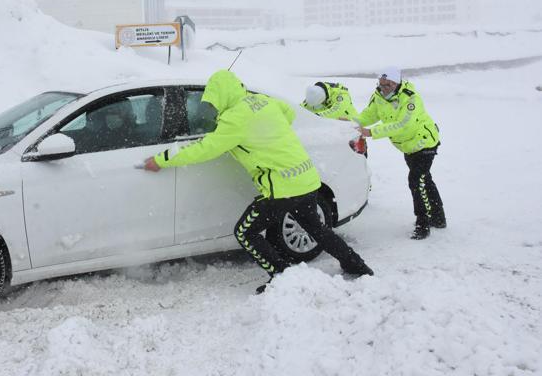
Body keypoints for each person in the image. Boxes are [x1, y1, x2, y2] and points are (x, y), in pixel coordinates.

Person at [142, 70, 373, 293]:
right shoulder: (262, 101)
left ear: (223, 94)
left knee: (245, 232)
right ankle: (356, 265)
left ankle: (282, 275)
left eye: (213, 101)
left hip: (282, 188)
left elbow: (206, 149)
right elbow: (289, 114)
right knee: (318, 230)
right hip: (306, 178)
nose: (212, 106)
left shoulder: (234, 119)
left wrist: (162, 160)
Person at [355, 67, 445, 240]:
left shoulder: (411, 98)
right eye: (381, 84)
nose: (383, 88)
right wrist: (353, 123)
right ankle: (439, 218)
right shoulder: (379, 96)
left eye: (387, 85)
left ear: (396, 83)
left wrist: (371, 132)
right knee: (425, 179)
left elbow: (403, 124)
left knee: (416, 181)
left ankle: (423, 223)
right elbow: (369, 114)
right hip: (407, 147)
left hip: (425, 142)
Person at [302, 81, 367, 155]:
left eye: (318, 105)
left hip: (353, 129)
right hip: (334, 133)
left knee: (358, 156)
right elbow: (301, 109)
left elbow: (337, 110)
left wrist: (316, 116)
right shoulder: (313, 96)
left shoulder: (340, 93)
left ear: (324, 99)